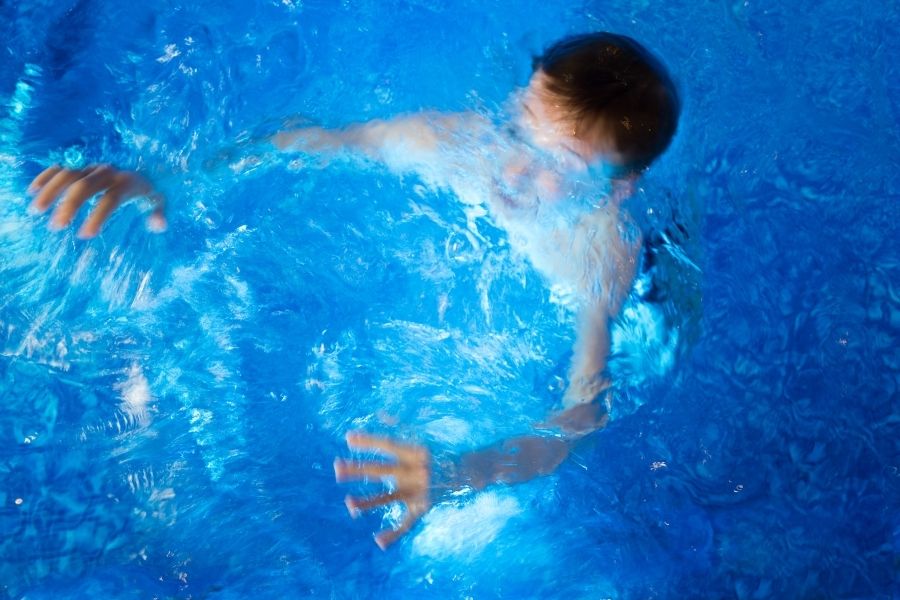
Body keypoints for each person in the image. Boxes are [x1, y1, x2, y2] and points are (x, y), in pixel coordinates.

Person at [26, 32, 680, 549]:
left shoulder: (597, 255)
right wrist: (165, 179)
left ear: (616, 190)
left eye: (556, 167)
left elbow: (584, 416)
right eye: (516, 130)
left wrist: (463, 471)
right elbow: (305, 140)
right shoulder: (457, 144)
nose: (511, 171)